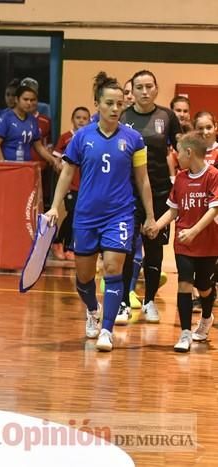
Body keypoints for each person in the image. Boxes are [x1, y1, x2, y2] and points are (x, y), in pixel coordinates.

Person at [45, 71, 156, 352]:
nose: (115, 109)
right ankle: (92, 311)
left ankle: (106, 329)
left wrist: (151, 215)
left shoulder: (133, 139)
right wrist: (55, 207)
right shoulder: (81, 138)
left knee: (111, 269)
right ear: (97, 104)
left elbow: (142, 179)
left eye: (119, 104)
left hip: (120, 214)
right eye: (109, 103)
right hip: (85, 215)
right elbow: (67, 172)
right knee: (83, 278)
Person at [117, 70, 181, 324]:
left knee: (154, 250)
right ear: (132, 91)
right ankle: (122, 301)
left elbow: (183, 149)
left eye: (149, 87)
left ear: (156, 89)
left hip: (160, 193)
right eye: (139, 87)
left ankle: (150, 301)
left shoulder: (167, 116)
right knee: (124, 247)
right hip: (127, 193)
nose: (144, 92)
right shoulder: (122, 116)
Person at [153, 132, 218, 351]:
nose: (175, 156)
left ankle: (207, 317)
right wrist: (156, 226)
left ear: (189, 152)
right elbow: (173, 210)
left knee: (204, 287)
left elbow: (214, 209)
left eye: (178, 151)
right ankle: (185, 333)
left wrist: (195, 231)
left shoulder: (213, 175)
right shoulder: (180, 178)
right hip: (183, 243)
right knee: (184, 284)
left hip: (208, 243)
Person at [50, 106, 91, 261]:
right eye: (78, 117)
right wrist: (59, 165)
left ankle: (70, 247)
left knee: (79, 215)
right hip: (70, 185)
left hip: (85, 185)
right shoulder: (66, 137)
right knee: (73, 213)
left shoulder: (90, 137)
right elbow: (56, 158)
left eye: (84, 118)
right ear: (72, 119)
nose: (81, 120)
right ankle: (59, 242)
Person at [0, 84, 60, 170]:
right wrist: (2, 165)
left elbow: (39, 147)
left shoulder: (32, 120)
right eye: (25, 99)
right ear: (17, 99)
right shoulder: (6, 117)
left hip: (26, 168)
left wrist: (53, 160)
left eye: (32, 100)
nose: (29, 103)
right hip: (9, 167)